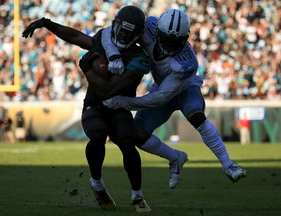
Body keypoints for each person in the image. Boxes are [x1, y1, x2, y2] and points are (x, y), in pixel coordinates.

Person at [22, 6, 188, 190]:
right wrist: (47, 23)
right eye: (121, 31)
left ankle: (137, 194)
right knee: (97, 134)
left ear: (138, 35)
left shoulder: (139, 57)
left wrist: (86, 69)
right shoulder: (104, 40)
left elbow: (109, 92)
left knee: (127, 141)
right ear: (115, 26)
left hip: (118, 105)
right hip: (95, 103)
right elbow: (77, 38)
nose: (123, 36)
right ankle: (97, 182)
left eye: (128, 33)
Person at [102, 8, 246, 183]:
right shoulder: (147, 27)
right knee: (138, 135)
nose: (169, 45)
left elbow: (161, 98)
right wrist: (114, 55)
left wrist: (125, 102)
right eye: (166, 39)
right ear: (157, 32)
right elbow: (108, 32)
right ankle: (175, 157)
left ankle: (228, 165)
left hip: (185, 87)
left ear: (185, 39)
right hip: (161, 86)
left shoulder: (186, 62)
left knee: (196, 116)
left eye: (174, 41)